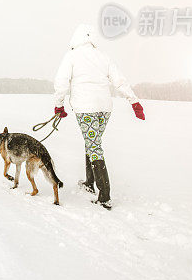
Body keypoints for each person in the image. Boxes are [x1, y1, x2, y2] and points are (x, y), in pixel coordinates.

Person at [53, 24, 145, 210]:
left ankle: (104, 195)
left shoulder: (71, 56)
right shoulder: (103, 57)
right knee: (92, 142)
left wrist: (59, 105)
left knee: (93, 145)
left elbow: (61, 82)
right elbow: (119, 80)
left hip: (85, 108)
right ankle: (89, 182)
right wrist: (133, 101)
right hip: (104, 108)